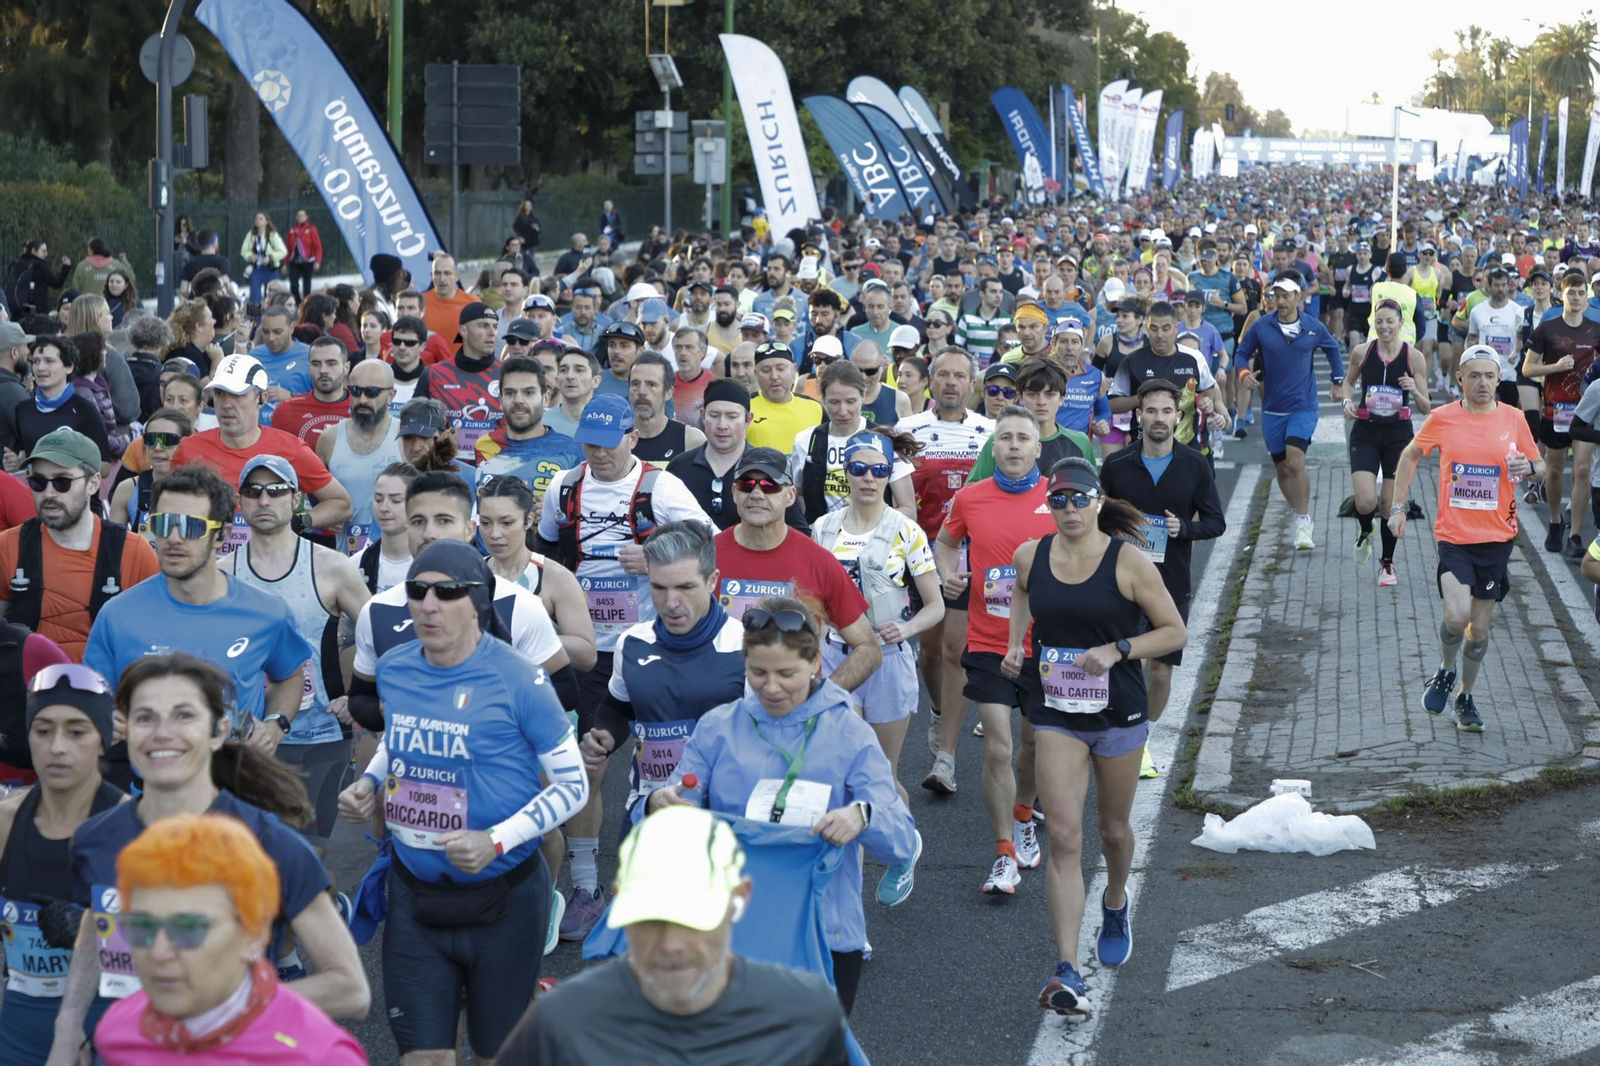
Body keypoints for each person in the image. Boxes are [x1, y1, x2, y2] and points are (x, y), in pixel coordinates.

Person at [338, 540, 586, 1065]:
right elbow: (398, 736)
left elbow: (573, 787)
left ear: (477, 601)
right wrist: (372, 781)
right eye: (417, 591)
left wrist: (497, 840)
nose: (428, 605)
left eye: (446, 592)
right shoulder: (397, 666)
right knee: (423, 1058)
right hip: (414, 893)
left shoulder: (521, 678)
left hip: (504, 897)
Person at [50, 653, 368, 1061]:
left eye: (183, 716)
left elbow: (350, 988)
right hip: (126, 1049)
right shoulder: (95, 838)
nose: (163, 733)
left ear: (218, 731)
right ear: (124, 730)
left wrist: (220, 1013)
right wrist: (68, 1025)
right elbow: (97, 928)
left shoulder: (268, 843)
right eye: (145, 718)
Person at [644, 597, 916, 1016]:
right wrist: (658, 804)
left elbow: (899, 840)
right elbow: (679, 798)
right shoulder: (718, 727)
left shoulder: (850, 733)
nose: (771, 687)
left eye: (786, 673)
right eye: (758, 673)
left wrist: (862, 816)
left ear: (815, 663)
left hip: (824, 933)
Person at [1003, 457, 1187, 1016]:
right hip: (1056, 710)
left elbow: (1174, 630)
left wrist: (1118, 651)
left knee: (1112, 830)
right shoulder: (1031, 554)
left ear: (1098, 501)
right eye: (1058, 500)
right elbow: (1021, 595)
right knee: (1063, 837)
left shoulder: (1127, 561)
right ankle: (1065, 967)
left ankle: (1113, 901)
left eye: (1079, 498)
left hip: (1119, 713)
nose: (1069, 509)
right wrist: (1016, 643)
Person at [534, 394, 711, 939]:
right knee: (590, 763)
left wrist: (653, 548)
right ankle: (586, 887)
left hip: (655, 641)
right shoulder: (564, 487)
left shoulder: (663, 487)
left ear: (632, 438)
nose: (599, 454)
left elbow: (708, 542)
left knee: (671, 762)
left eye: (608, 444)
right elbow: (543, 557)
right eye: (590, 442)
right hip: (587, 646)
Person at [494, 805, 850, 1064]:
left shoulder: (808, 1017)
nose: (671, 944)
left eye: (694, 917)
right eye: (650, 916)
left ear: (738, 898)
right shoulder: (558, 1023)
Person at [91, 814, 367, 1065]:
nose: (159, 953)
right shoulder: (117, 1035)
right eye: (142, 926)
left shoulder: (320, 1057)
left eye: (188, 928)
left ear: (254, 936)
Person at [811, 430, 943, 903]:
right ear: (845, 473)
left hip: (886, 662)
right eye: (859, 468)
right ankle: (849, 903)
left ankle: (904, 846)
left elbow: (934, 605)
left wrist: (906, 630)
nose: (869, 478)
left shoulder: (907, 530)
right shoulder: (822, 527)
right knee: (845, 774)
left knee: (880, 777)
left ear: (892, 473)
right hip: (835, 659)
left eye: (880, 469)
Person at [929, 406, 1054, 892]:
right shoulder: (971, 498)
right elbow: (944, 543)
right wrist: (947, 572)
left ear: (1038, 448)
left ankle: (1024, 812)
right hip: (988, 641)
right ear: (994, 447)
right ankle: (1003, 852)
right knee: (999, 747)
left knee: (1035, 746)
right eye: (1005, 438)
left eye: (1024, 438)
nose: (1015, 446)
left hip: (1046, 644)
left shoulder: (1058, 499)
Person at [1388, 347, 1545, 732]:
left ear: (1498, 379)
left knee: (1478, 632)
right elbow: (1409, 456)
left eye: (1490, 376)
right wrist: (1397, 507)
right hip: (1454, 537)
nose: (1483, 384)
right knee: (1456, 617)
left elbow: (1539, 465)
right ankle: (1444, 670)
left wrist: (1532, 467)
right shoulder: (1443, 419)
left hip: (1497, 538)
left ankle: (1465, 696)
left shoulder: (1514, 418)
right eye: (1474, 376)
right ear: (1460, 379)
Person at [347, 470, 569, 732]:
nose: (429, 533)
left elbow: (565, 690)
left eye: (443, 521)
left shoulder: (519, 605)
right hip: (408, 768)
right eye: (418, 521)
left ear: (469, 530)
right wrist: (384, 710)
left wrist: (486, 710)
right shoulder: (378, 610)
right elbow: (360, 698)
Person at [223, 456, 369, 846]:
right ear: (240, 502)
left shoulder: (332, 567)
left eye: (276, 490)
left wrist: (357, 694)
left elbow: (381, 637)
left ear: (297, 500)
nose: (264, 500)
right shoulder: (221, 574)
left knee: (309, 858)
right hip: (245, 742)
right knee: (251, 857)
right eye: (253, 492)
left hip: (320, 736)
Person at [578, 520, 747, 827]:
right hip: (650, 811)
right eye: (659, 587)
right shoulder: (632, 642)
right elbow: (617, 709)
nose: (671, 603)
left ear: (712, 581)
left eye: (685, 587)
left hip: (726, 822)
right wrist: (604, 738)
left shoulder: (745, 646)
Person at [0, 664, 125, 1065]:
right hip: (17, 1026)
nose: (57, 747)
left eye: (76, 732)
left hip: (108, 1028)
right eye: (43, 730)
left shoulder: (134, 827)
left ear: (103, 740)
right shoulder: (5, 822)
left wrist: (97, 929)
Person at [1100, 380, 1224, 776]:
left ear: (1179, 417)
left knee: (1160, 668)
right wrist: (1112, 532)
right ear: (1138, 416)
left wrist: (1182, 530)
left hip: (1171, 580)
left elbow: (1216, 522)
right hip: (1123, 580)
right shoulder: (1117, 465)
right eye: (1150, 411)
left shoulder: (1195, 464)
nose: (1158, 418)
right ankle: (1128, 735)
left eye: (1166, 411)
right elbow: (1096, 519)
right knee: (1127, 658)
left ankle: (1145, 735)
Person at [898, 346, 993, 780]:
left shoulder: (989, 432)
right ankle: (938, 710)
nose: (951, 382)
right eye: (943, 375)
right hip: (919, 557)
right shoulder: (908, 428)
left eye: (960, 375)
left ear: (972, 383)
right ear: (930, 381)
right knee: (930, 655)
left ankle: (946, 758)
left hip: (969, 558)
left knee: (956, 651)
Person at [0, 428, 159, 660]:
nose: (49, 493)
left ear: (93, 484)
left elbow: (154, 640)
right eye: (38, 482)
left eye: (62, 482)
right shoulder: (8, 547)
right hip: (26, 690)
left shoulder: (133, 552)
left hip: (105, 689)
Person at [169, 355, 353, 553]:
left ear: (261, 399)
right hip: (208, 567)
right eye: (220, 394)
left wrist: (297, 523)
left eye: (238, 395)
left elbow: (342, 504)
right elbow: (168, 507)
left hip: (271, 568)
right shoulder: (188, 449)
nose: (226, 404)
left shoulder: (291, 449)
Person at [1236, 276, 1344, 550]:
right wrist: (1245, 372)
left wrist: (1337, 380)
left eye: (1286, 296)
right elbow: (1241, 353)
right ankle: (1300, 516)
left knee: (1295, 463)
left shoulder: (1312, 326)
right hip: (1272, 409)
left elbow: (1332, 348)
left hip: (1303, 407)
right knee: (1282, 470)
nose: (1280, 301)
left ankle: (1303, 522)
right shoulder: (1262, 326)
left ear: (1299, 297)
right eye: (1276, 295)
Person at [1342, 300, 1432, 585]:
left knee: (1389, 504)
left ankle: (1387, 563)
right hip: (1366, 432)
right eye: (1379, 321)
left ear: (1400, 323)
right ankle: (1365, 531)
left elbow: (1426, 407)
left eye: (1389, 321)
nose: (1384, 327)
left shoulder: (1414, 357)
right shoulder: (1362, 352)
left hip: (1398, 437)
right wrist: (1346, 400)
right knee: (1366, 500)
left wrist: (1414, 390)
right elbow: (1348, 382)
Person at [478, 475, 598, 672]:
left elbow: (587, 654)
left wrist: (526, 633)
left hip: (537, 693)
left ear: (528, 520)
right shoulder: (470, 573)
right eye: (485, 523)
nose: (494, 534)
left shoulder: (555, 577)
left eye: (506, 523)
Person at [1522, 270, 1599, 559]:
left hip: (1585, 412)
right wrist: (1554, 367)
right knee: (1554, 471)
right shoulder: (1548, 328)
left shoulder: (1595, 330)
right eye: (1572, 293)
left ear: (1587, 297)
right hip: (1556, 409)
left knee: (1581, 470)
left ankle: (1575, 535)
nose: (1577, 298)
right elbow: (1527, 369)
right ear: (1562, 295)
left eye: (1581, 293)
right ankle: (1555, 521)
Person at [667, 378, 810, 532]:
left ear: (748, 419)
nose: (722, 425)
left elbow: (799, 531)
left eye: (732, 417)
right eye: (714, 415)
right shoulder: (679, 468)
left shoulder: (770, 469)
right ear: (703, 415)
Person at [793, 360, 916, 522]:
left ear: (863, 396)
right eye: (834, 402)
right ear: (822, 398)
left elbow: (909, 510)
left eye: (850, 402)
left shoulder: (884, 440)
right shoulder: (806, 441)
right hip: (821, 542)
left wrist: (869, 514)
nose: (842, 411)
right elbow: (798, 495)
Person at [473, 354, 583, 510]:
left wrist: (556, 514)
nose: (518, 400)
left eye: (529, 393)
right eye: (510, 393)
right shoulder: (484, 445)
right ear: (500, 400)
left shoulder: (573, 451)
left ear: (545, 398)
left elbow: (584, 512)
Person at [315, 358, 400, 554]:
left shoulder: (405, 438)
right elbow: (312, 493)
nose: (363, 400)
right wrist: (327, 512)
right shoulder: (329, 439)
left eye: (372, 392)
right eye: (355, 391)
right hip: (344, 558)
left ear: (391, 395)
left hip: (393, 558)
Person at [968, 358, 1096, 480]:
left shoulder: (1080, 443)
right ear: (1021, 398)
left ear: (1061, 399)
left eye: (1049, 395)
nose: (1041, 402)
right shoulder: (1000, 440)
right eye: (1033, 395)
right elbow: (972, 491)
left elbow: (1091, 493)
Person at [6, 337, 111, 468]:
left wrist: (67, 471)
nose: (40, 368)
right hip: (37, 486)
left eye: (49, 361)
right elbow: (25, 453)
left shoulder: (85, 410)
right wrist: (17, 463)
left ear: (69, 367)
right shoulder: (23, 409)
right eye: (36, 361)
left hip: (72, 487)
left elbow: (105, 466)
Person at [417, 301, 504, 456]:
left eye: (495, 326)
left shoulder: (507, 374)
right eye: (483, 326)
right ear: (463, 331)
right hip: (447, 471)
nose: (492, 332)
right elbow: (415, 428)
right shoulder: (434, 374)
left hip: (497, 470)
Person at [111, 410, 192, 538]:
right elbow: (112, 545)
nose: (157, 447)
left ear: (187, 443)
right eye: (151, 439)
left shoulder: (202, 491)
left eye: (168, 440)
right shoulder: (127, 489)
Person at [270, 335, 351, 447]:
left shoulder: (361, 408)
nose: (323, 370)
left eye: (331, 364)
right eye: (316, 364)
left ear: (346, 367)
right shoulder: (286, 411)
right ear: (308, 368)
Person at [352, 461, 419, 594]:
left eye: (395, 501)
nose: (384, 508)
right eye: (378, 499)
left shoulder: (433, 563)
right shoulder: (357, 564)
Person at [748, 341, 824, 452]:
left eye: (781, 369)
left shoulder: (815, 408)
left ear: (794, 370)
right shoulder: (744, 407)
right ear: (756, 373)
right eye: (766, 370)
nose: (774, 376)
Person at [630, 351, 705, 462]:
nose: (641, 392)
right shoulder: (617, 438)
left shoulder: (691, 440)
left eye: (651, 385)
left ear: (668, 393)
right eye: (635, 384)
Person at [247, 306, 313, 424]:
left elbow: (325, 400)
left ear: (291, 328)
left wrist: (292, 396)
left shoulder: (310, 355)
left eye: (277, 332)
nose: (271, 338)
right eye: (266, 332)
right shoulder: (254, 356)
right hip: (259, 435)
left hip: (295, 434)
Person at [420, 253, 482, 349]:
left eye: (447, 273)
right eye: (437, 273)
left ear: (457, 276)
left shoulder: (472, 303)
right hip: (430, 363)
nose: (442, 279)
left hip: (461, 363)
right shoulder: (420, 302)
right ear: (431, 275)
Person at [240, 213, 287, 304]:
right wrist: (250, 256)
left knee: (273, 295)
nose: (258, 220)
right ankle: (254, 317)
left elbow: (283, 251)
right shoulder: (251, 235)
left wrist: (270, 257)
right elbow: (244, 251)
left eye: (261, 219)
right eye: (256, 218)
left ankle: (273, 315)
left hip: (270, 269)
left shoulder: (272, 235)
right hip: (256, 269)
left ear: (267, 222)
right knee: (254, 296)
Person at [285, 208, 323, 301]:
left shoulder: (311, 229)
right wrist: (285, 263)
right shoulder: (292, 230)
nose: (300, 217)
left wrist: (318, 261)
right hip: (294, 261)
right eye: (298, 216)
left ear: (306, 217)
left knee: (307, 284)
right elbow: (288, 248)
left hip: (308, 261)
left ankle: (306, 302)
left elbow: (317, 246)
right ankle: (298, 301)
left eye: (302, 215)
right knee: (293, 284)